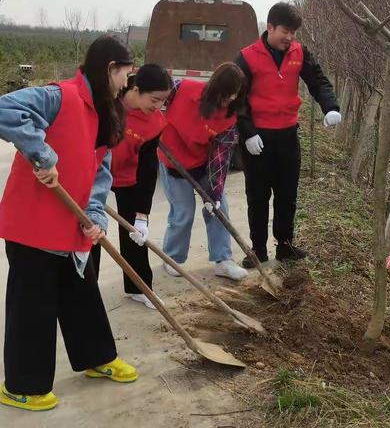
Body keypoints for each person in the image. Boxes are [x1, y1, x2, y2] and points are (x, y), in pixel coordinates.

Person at [0, 35, 138, 412]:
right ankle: (22, 385)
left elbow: (100, 171)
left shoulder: (105, 112)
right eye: (126, 72)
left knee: (82, 294)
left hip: (70, 226)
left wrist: (95, 215)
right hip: (32, 224)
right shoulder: (59, 96)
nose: (128, 82)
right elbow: (6, 110)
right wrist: (41, 153)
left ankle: (96, 357)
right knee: (34, 305)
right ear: (110, 68)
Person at [235, 2, 342, 268]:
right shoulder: (247, 57)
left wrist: (330, 106)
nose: (290, 37)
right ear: (270, 27)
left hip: (287, 136)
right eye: (285, 30)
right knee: (258, 195)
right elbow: (237, 98)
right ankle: (258, 249)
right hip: (257, 140)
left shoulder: (299, 53)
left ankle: (285, 245)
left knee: (287, 193)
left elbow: (318, 81)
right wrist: (247, 132)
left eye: (293, 32)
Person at [91, 63, 172, 310]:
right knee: (92, 230)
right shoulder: (109, 101)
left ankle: (139, 286)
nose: (157, 107)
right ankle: (86, 291)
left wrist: (142, 216)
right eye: (154, 100)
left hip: (128, 175)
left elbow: (148, 170)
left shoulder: (156, 123)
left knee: (134, 236)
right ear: (136, 89)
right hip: (94, 172)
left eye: (163, 102)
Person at [158, 62, 248, 281]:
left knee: (219, 209)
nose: (227, 102)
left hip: (201, 164)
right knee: (183, 212)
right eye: (224, 96)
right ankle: (173, 258)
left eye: (232, 97)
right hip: (172, 161)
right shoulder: (183, 90)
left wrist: (214, 193)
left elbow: (221, 156)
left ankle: (223, 260)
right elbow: (154, 102)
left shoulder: (229, 117)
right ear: (213, 89)